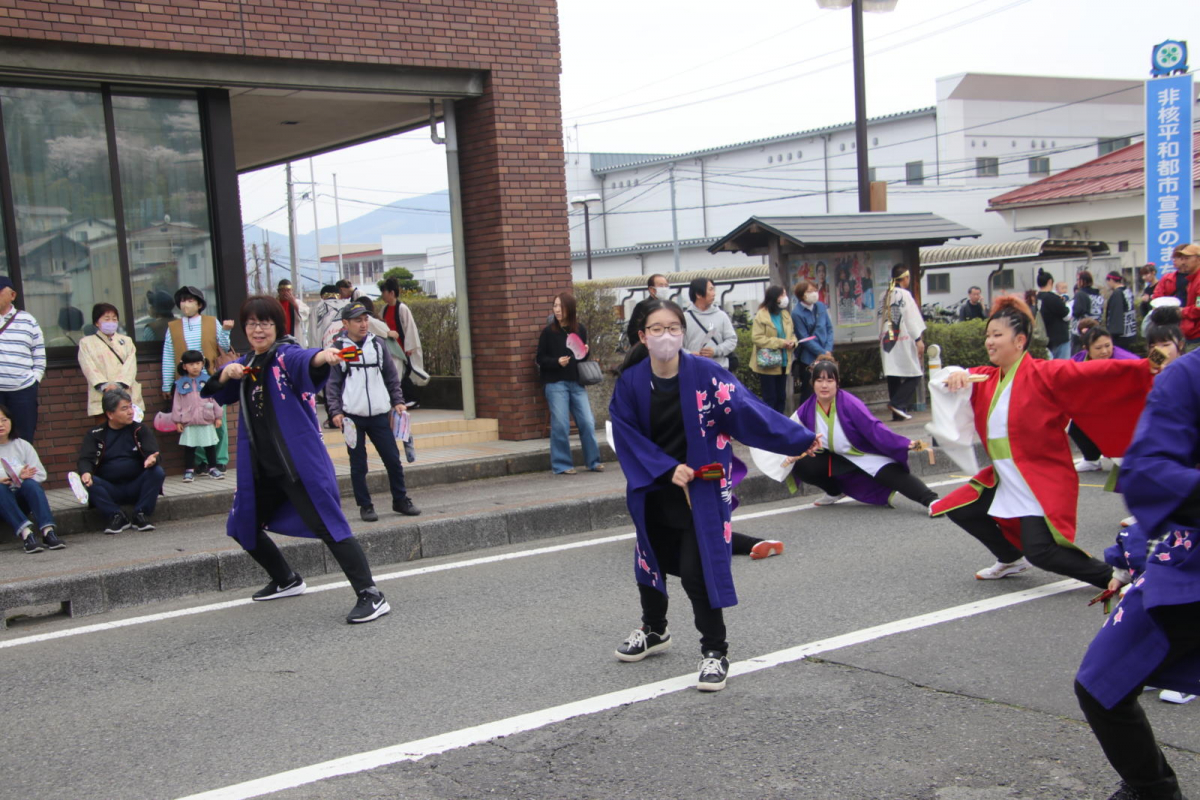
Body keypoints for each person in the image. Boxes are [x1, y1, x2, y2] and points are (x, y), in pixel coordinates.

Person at [608, 298, 821, 691]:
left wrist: (797, 437)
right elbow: (625, 433)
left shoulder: (706, 375)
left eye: (673, 328)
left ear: (683, 332)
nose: (666, 336)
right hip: (653, 488)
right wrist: (665, 468)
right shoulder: (632, 382)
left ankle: (715, 651)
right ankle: (654, 630)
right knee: (649, 561)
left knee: (697, 571)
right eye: (657, 329)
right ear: (643, 335)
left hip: (700, 490)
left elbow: (748, 411)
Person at [929, 297, 1157, 586]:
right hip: (1006, 476)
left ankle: (1116, 577)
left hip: (1040, 476)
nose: (989, 342)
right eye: (988, 335)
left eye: (997, 335)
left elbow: (1095, 373)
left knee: (1043, 552)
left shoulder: (1045, 373)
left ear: (1020, 341)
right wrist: (954, 374)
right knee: (960, 507)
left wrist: (1148, 366)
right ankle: (1011, 557)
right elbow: (946, 378)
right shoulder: (985, 378)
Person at [201, 295, 391, 624]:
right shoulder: (248, 363)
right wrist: (225, 373)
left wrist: (324, 356)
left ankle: (371, 594)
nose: (258, 330)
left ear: (278, 327)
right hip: (261, 469)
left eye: (266, 323)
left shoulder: (284, 355)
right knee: (241, 525)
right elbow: (215, 390)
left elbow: (306, 359)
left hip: (297, 466)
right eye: (252, 323)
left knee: (330, 526)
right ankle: (286, 579)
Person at [1073, 341, 1199, 800]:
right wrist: (1126, 558)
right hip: (1190, 568)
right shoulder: (1189, 375)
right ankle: (1153, 790)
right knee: (1100, 683)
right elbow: (1148, 471)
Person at [756, 355, 938, 509]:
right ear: (812, 383)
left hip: (864, 453)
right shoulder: (806, 409)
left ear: (837, 383)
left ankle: (932, 501)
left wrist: (904, 443)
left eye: (829, 380)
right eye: (819, 380)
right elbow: (788, 430)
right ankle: (834, 491)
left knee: (894, 477)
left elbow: (875, 428)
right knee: (803, 465)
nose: (824, 385)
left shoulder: (850, 404)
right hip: (834, 457)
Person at [325, 301, 421, 521]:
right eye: (357, 320)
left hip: (379, 414)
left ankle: (400, 500)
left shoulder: (378, 344)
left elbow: (391, 376)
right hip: (352, 417)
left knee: (392, 459)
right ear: (346, 323)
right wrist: (335, 411)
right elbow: (333, 384)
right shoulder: (339, 349)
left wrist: (398, 401)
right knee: (358, 464)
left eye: (365, 319)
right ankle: (365, 506)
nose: (363, 324)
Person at [161, 286, 234, 472]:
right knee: (192, 421)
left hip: (211, 379)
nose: (185, 304)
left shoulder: (211, 322)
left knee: (217, 419)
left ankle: (220, 459)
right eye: (182, 301)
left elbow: (224, 347)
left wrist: (226, 331)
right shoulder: (172, 327)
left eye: (190, 300)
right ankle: (202, 461)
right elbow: (168, 356)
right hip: (185, 383)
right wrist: (166, 385)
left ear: (200, 304)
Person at [77, 389, 166, 535]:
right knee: (88, 480)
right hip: (110, 487)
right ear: (110, 414)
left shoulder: (140, 429)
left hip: (137, 484)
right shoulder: (95, 434)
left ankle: (141, 514)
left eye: (131, 406)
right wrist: (85, 472)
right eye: (124, 408)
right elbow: (85, 459)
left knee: (157, 472)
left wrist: (152, 459)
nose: (130, 412)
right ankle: (116, 515)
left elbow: (154, 453)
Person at [536, 292, 602, 475]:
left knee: (587, 422)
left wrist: (586, 352)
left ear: (570, 309)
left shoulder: (580, 329)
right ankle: (562, 465)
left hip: (576, 383)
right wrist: (556, 362)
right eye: (555, 306)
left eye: (561, 306)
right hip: (555, 384)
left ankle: (593, 462)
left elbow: (580, 358)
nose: (557, 310)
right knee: (561, 425)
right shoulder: (548, 332)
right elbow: (540, 358)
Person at [1069, 324, 1139, 473]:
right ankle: (1091, 459)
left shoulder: (1126, 360)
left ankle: (1126, 455)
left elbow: (1146, 370)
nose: (1105, 351)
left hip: (1123, 408)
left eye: (1108, 346)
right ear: (1086, 349)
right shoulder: (1078, 360)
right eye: (1098, 348)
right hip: (1093, 406)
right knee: (1071, 422)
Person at [0, 404, 63, 553]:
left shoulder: (23, 445)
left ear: (11, 421)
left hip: (20, 498)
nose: (1, 425)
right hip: (2, 501)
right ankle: (27, 535)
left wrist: (23, 477)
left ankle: (48, 532)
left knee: (31, 484)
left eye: (4, 420)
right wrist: (12, 475)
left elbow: (40, 474)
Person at [77, 303, 144, 419]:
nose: (111, 322)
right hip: (101, 394)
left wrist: (119, 384)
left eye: (114, 319)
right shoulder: (86, 343)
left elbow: (131, 365)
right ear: (97, 322)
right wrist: (104, 386)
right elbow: (88, 366)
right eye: (107, 319)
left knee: (129, 426)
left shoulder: (127, 341)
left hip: (125, 392)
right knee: (104, 427)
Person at [0, 275, 45, 444]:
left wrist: (35, 379)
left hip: (23, 390)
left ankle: (24, 463)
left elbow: (39, 352)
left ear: (12, 295)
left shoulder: (28, 320)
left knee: (23, 437)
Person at [879, 264, 926, 421]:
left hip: (886, 337)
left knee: (893, 374)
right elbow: (911, 318)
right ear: (905, 278)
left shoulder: (884, 295)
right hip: (902, 337)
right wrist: (918, 339)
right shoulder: (904, 295)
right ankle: (898, 404)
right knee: (915, 373)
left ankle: (897, 413)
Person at [171, 350, 222, 482]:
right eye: (191, 364)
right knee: (189, 447)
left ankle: (213, 468)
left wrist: (218, 416)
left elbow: (216, 399)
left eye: (198, 363)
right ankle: (189, 470)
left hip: (207, 418)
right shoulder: (180, 383)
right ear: (184, 366)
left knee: (210, 445)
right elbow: (177, 403)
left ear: (203, 364)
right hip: (188, 420)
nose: (195, 367)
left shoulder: (208, 380)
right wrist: (177, 421)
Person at [376, 277, 425, 408]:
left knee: (400, 375)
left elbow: (410, 328)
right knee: (396, 374)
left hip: (401, 349)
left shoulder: (402, 308)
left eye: (384, 292)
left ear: (391, 293)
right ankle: (407, 399)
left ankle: (411, 399)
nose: (382, 295)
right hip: (391, 349)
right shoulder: (384, 309)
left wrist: (410, 347)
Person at [751, 285, 797, 414]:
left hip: (784, 361)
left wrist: (793, 343)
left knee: (781, 397)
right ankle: (769, 423)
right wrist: (780, 343)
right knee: (770, 398)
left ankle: (780, 422)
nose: (785, 298)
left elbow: (792, 334)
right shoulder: (762, 315)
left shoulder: (785, 314)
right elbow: (757, 338)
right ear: (774, 297)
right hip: (768, 363)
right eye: (782, 295)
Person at [790, 278, 834, 404]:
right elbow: (804, 338)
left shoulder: (820, 306)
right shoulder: (797, 313)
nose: (814, 293)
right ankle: (806, 415)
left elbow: (829, 328)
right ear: (802, 294)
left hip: (826, 355)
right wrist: (822, 352)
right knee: (809, 392)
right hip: (808, 359)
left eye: (815, 290)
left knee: (827, 390)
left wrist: (828, 350)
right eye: (810, 291)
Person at [1151, 243, 1200, 350]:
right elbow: (1156, 298)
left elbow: (1198, 307)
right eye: (1181, 258)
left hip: (1194, 335)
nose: (1183, 262)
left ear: (1198, 259)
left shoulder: (1197, 279)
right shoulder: (1171, 278)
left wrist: (1180, 311)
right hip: (1176, 331)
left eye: (1187, 258)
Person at [683, 278, 738, 370]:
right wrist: (689, 354)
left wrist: (716, 351)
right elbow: (676, 346)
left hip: (719, 368)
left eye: (713, 289)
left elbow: (732, 340)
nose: (714, 293)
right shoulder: (684, 318)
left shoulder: (721, 315)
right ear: (698, 294)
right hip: (694, 369)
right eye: (711, 289)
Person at [1038, 270, 1072, 359]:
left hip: (1041, 340)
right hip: (1059, 339)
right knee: (1062, 366)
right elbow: (1067, 315)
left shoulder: (1035, 298)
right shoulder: (1053, 298)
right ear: (1050, 282)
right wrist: (1067, 304)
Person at [1103, 271, 1137, 352]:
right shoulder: (1127, 291)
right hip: (1129, 330)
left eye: (1107, 281)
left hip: (1121, 334)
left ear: (1111, 280)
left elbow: (1116, 314)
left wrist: (1112, 332)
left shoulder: (1117, 293)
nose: (1107, 284)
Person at [1071, 270, 1104, 355]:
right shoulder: (1098, 295)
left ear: (1082, 281)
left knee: (1078, 354)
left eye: (1078, 280)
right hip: (1096, 327)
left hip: (1081, 330)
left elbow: (1077, 312)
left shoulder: (1080, 294)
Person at [276, 279, 309, 346]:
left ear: (292, 291)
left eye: (288, 290)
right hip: (278, 337)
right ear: (278, 291)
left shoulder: (297, 302)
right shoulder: (274, 304)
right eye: (283, 290)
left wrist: (294, 303)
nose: (285, 293)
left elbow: (305, 314)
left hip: (294, 335)